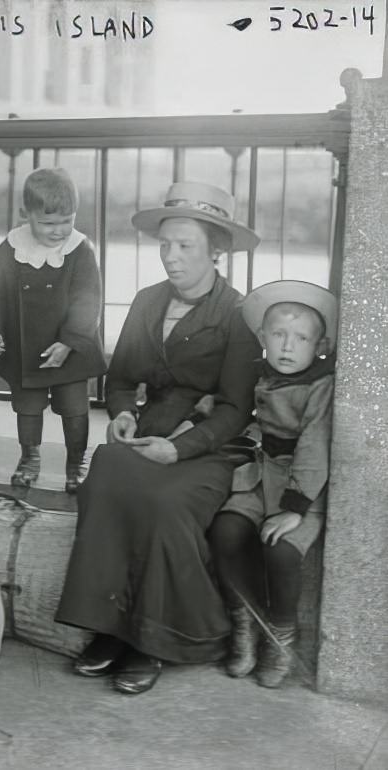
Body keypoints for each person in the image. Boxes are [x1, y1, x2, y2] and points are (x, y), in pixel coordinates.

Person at [55, 181, 262, 695]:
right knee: (104, 476)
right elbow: (121, 377)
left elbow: (236, 410)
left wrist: (181, 448)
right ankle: (110, 628)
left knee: (164, 502)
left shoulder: (238, 314)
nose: (171, 257)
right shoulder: (148, 301)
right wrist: (122, 414)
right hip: (149, 434)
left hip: (209, 447)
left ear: (217, 251)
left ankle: (154, 640)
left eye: (185, 246)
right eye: (165, 245)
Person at [210, 280, 337, 688]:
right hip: (259, 478)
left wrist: (293, 509)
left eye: (301, 338)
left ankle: (280, 634)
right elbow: (258, 420)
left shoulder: (321, 385)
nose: (287, 346)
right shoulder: (263, 374)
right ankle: (244, 623)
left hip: (301, 489)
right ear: (263, 337)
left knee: (281, 551)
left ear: (319, 346)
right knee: (226, 531)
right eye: (279, 335)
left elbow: (316, 444)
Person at [0, 168, 106, 493]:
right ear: (27, 215)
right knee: (28, 406)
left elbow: (87, 300)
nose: (58, 231)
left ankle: (76, 462)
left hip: (70, 346)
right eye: (48, 223)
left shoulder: (79, 250)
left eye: (67, 221)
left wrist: (70, 341)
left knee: (75, 408)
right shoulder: (11, 247)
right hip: (26, 344)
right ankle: (29, 457)